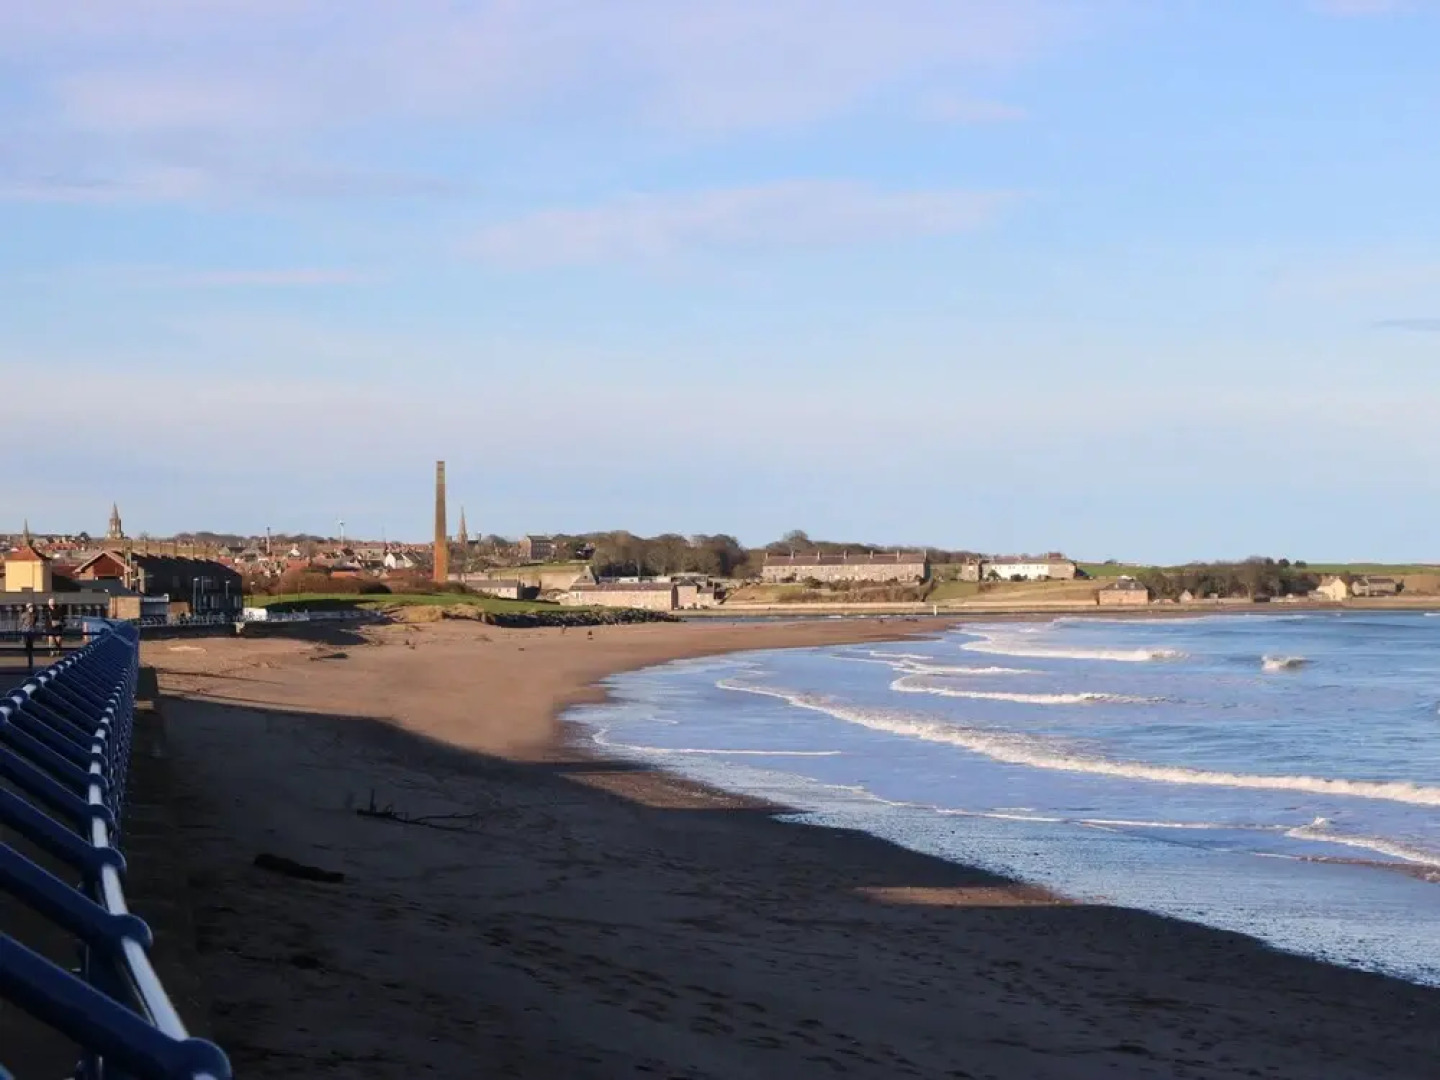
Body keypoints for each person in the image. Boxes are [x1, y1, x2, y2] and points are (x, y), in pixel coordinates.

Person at [18, 602, 37, 672]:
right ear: (28, 608)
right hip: (26, 628)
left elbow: (35, 621)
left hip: (31, 628)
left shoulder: (34, 615)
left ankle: (30, 648)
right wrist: (21, 628)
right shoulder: (24, 614)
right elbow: (21, 621)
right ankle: (28, 648)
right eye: (30, 608)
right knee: (27, 640)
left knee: (30, 641)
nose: (31, 609)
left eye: (32, 608)